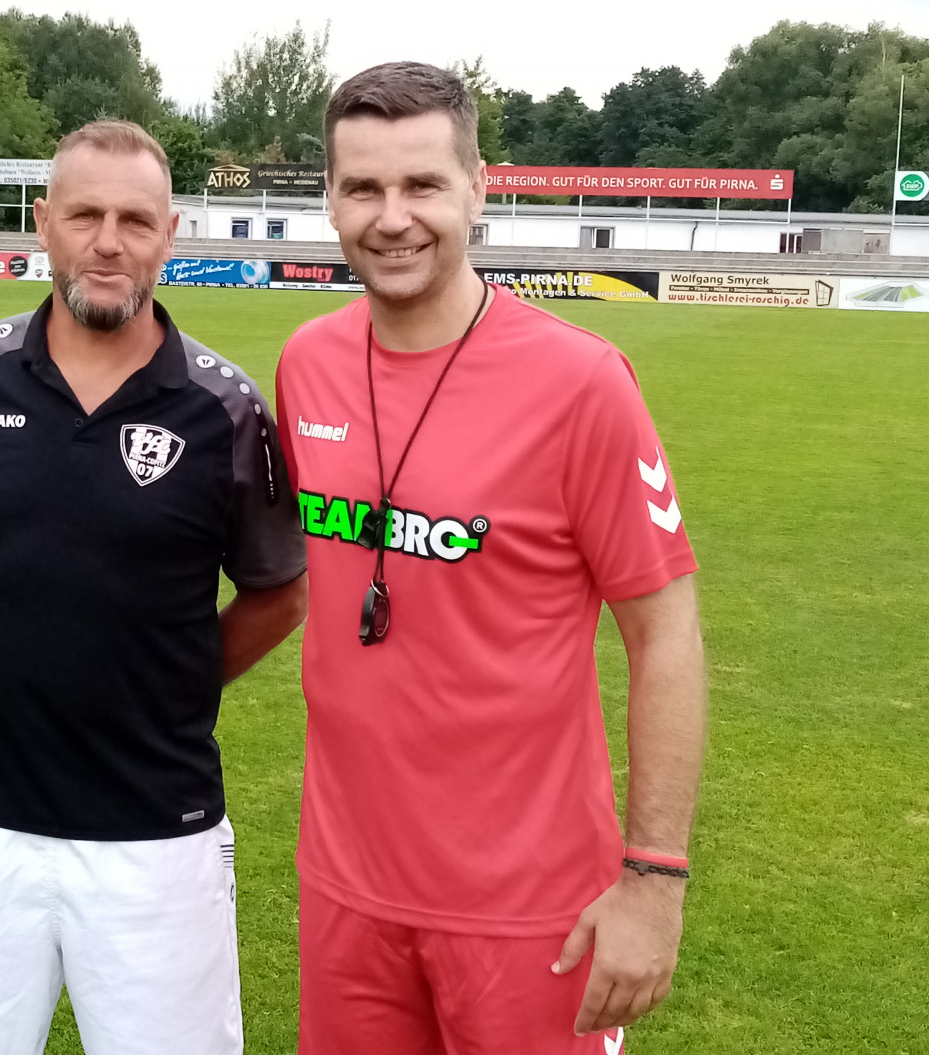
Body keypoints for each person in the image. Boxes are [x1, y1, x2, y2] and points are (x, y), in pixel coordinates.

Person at [274, 63, 707, 1054]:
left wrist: (653, 880)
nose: (392, 217)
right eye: (363, 188)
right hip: (348, 892)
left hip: (530, 910)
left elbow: (665, 631)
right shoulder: (308, 363)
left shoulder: (581, 383)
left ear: (478, 186)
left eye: (422, 184)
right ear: (329, 200)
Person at [0, 119, 308, 1055]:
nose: (108, 241)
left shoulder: (225, 406)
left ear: (170, 233)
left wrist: (168, 681)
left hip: (155, 834)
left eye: (134, 219)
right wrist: (11, 641)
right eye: (85, 214)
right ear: (44, 223)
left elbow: (279, 590)